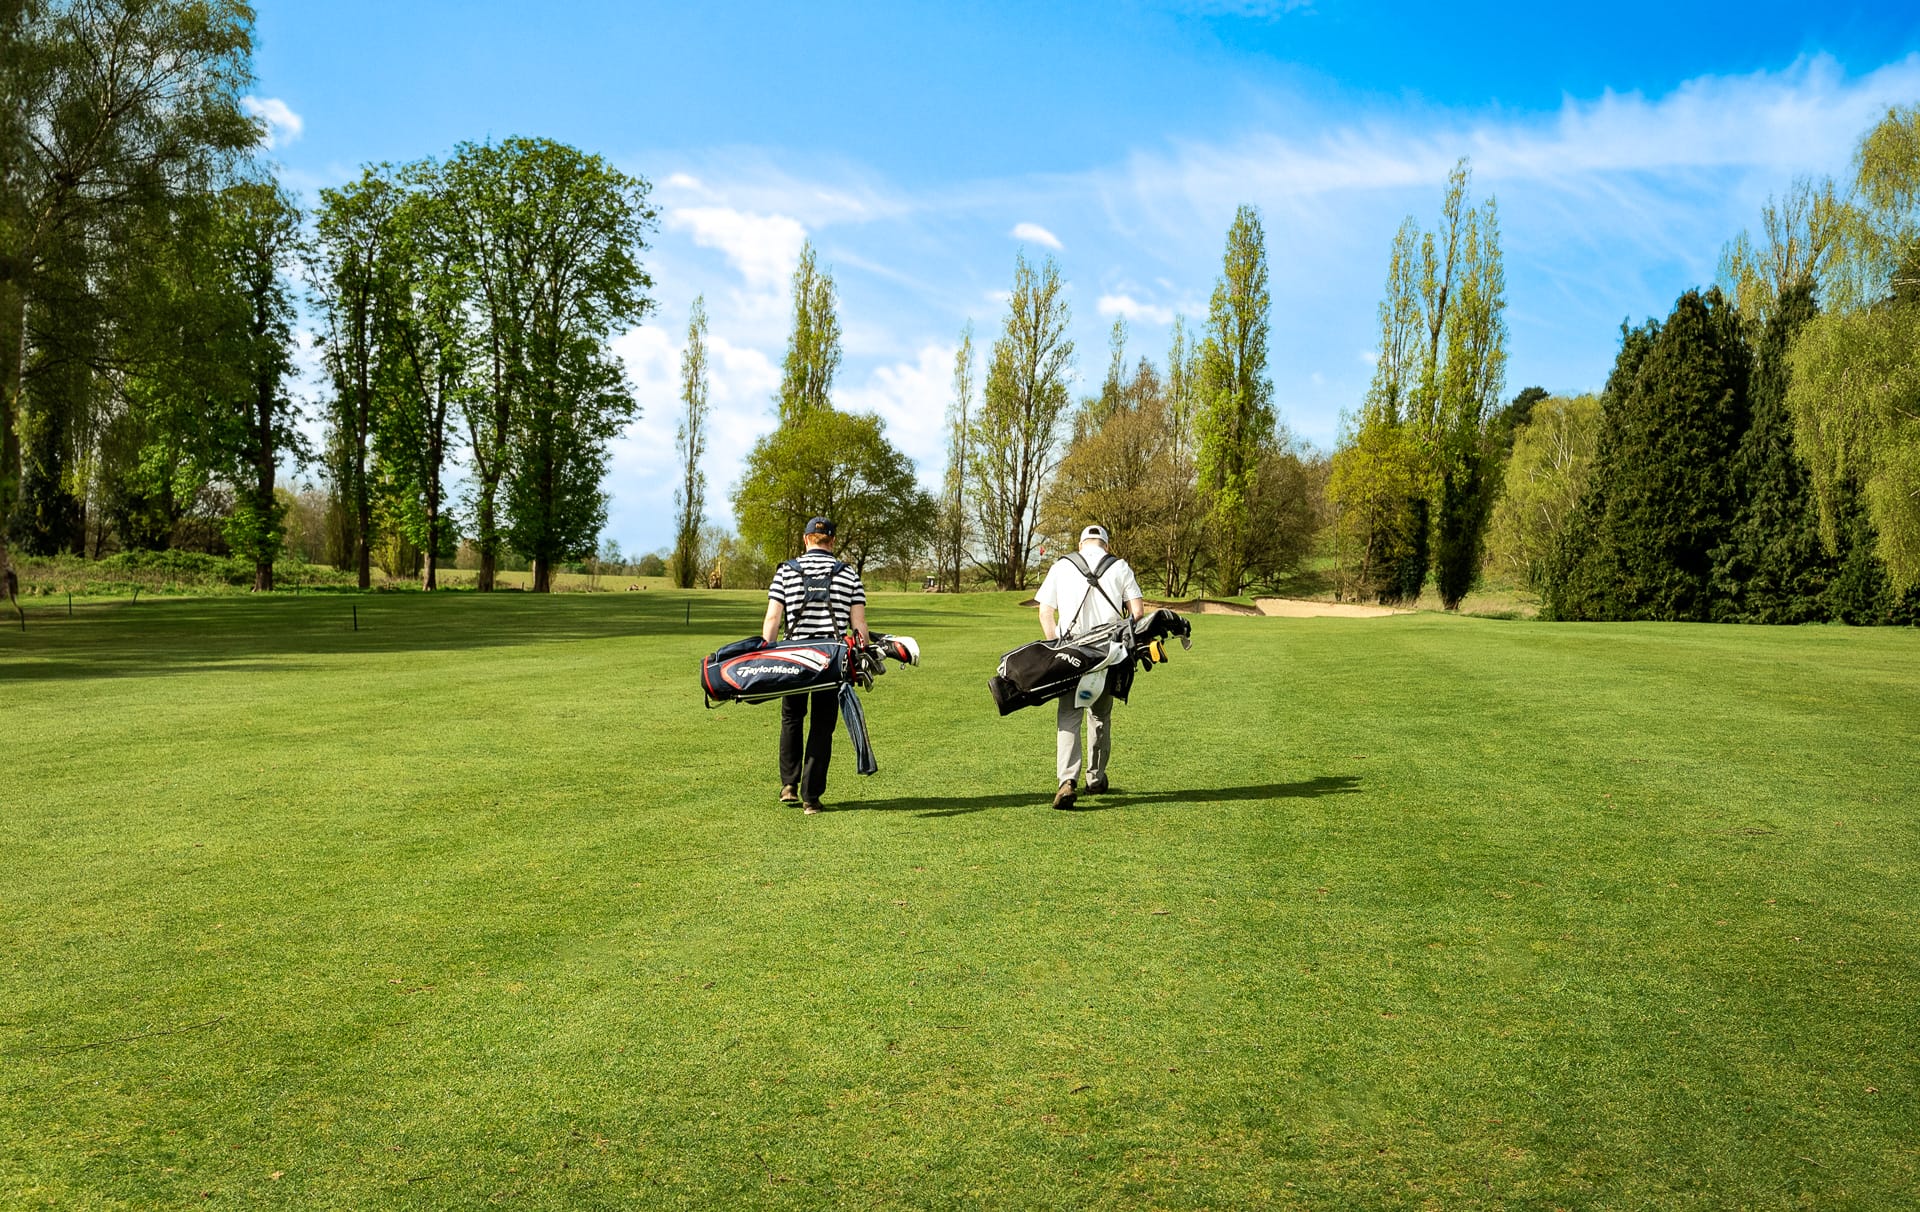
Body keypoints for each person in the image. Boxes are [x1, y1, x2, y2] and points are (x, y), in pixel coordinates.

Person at [760, 516, 869, 815]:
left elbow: (772, 620)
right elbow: (859, 627)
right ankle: (812, 798)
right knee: (822, 725)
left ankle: (788, 786)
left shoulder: (785, 571)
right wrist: (861, 658)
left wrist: (765, 656)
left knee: (792, 718)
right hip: (830, 660)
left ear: (806, 539)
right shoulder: (849, 575)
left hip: (793, 656)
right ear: (832, 541)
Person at [1034, 524, 1145, 810]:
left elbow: (1045, 611)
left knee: (1069, 716)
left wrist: (1055, 646)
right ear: (1105, 545)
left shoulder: (1061, 566)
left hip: (1071, 652)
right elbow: (1138, 612)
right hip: (1107, 654)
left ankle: (1067, 781)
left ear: (1081, 544)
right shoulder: (1119, 566)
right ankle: (1095, 778)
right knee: (1100, 716)